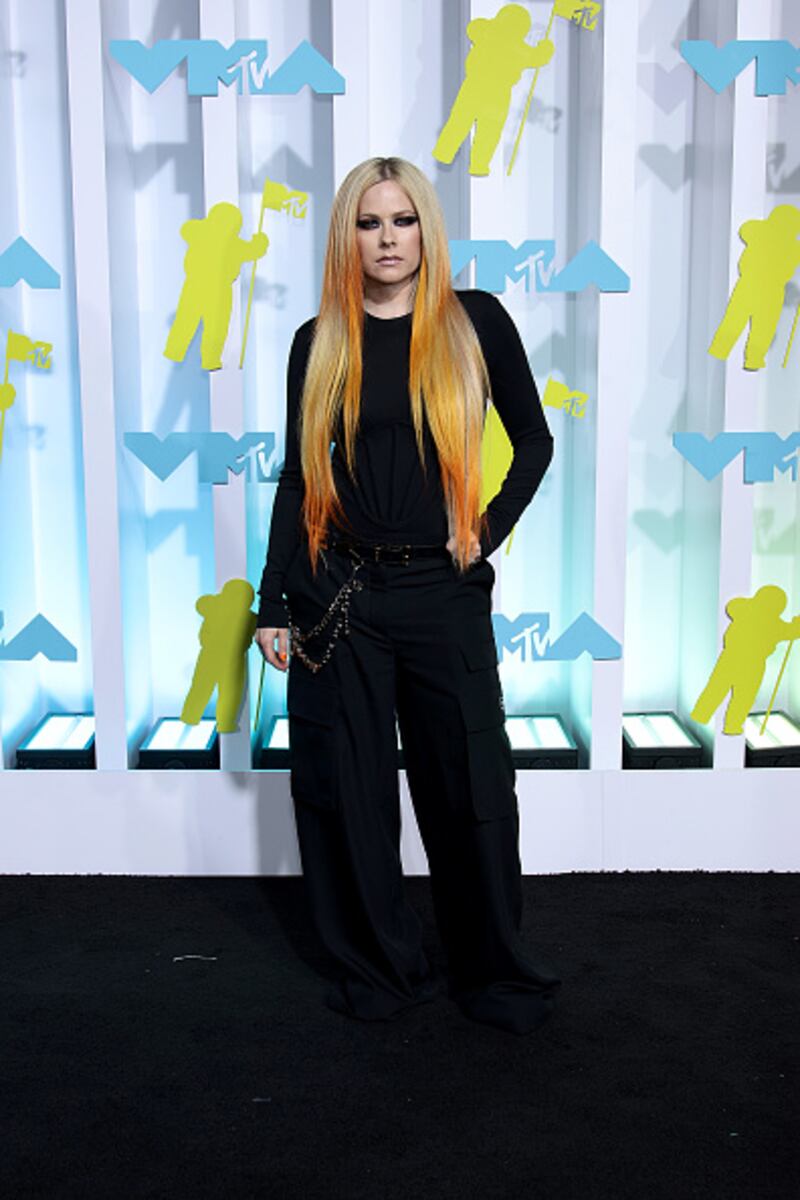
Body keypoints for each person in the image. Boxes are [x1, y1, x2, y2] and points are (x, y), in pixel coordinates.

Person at [254, 156, 559, 1036]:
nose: (387, 239)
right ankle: (382, 968)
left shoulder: (475, 322)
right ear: (347, 237)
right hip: (339, 594)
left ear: (427, 228)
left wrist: (485, 529)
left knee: (469, 786)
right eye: (369, 223)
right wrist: (273, 603)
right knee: (349, 794)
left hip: (441, 591)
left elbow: (534, 441)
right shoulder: (319, 341)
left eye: (403, 220)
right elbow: (298, 479)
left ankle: (491, 972)